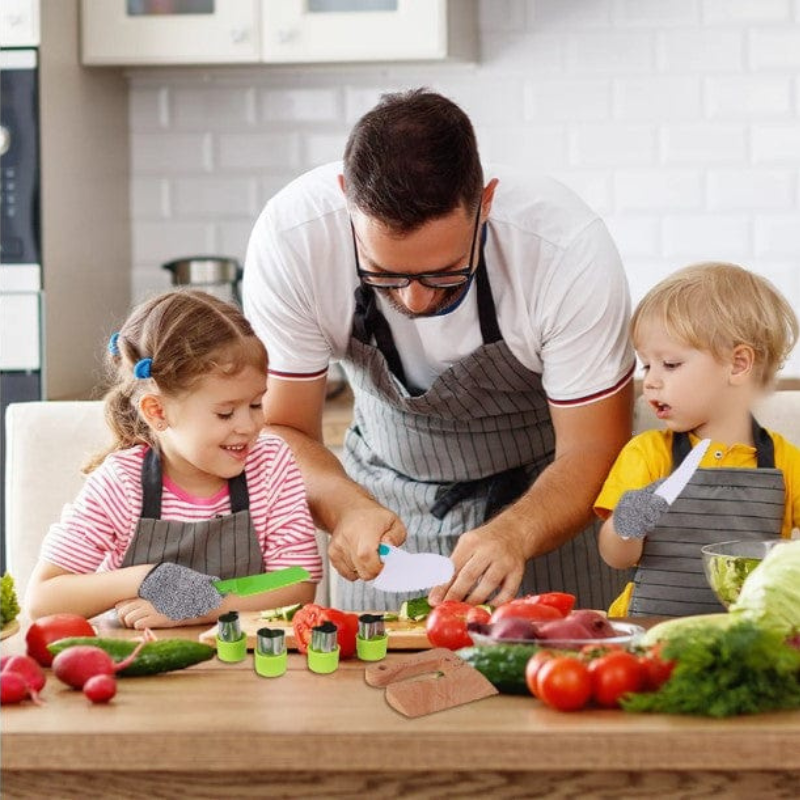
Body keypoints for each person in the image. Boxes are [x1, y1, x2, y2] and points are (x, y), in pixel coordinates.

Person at [243, 88, 635, 612]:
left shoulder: (562, 247)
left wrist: (517, 531)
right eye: (384, 274)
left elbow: (594, 448)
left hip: (544, 508)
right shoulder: (294, 238)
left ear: (486, 203)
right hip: (382, 513)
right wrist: (345, 509)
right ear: (346, 200)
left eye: (445, 273)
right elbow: (281, 429)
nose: (416, 298)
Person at [25, 289, 322, 628]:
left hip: (243, 668)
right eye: (225, 413)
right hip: (137, 667)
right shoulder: (121, 484)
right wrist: (148, 579)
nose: (250, 425)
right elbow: (42, 601)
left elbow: (298, 583)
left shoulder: (270, 466)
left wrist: (202, 606)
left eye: (255, 404)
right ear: (157, 411)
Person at [595, 262, 800, 617]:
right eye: (647, 365)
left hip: (748, 636)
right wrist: (626, 525)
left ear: (737, 365)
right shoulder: (647, 454)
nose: (653, 381)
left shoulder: (786, 462)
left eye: (670, 364)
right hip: (650, 630)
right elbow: (616, 557)